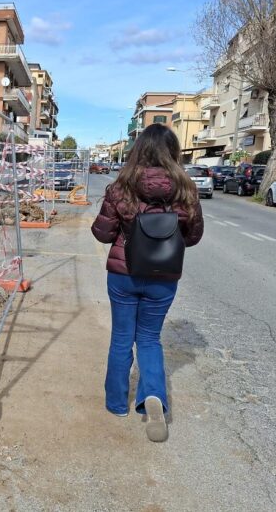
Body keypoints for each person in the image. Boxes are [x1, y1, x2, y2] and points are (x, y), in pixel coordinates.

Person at [90, 124, 204, 442]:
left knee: (121, 338)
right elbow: (193, 237)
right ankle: (153, 395)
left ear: (138, 149)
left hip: (123, 275)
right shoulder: (186, 190)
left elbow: (102, 233)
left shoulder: (121, 187)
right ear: (173, 152)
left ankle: (117, 404)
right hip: (163, 278)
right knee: (150, 339)